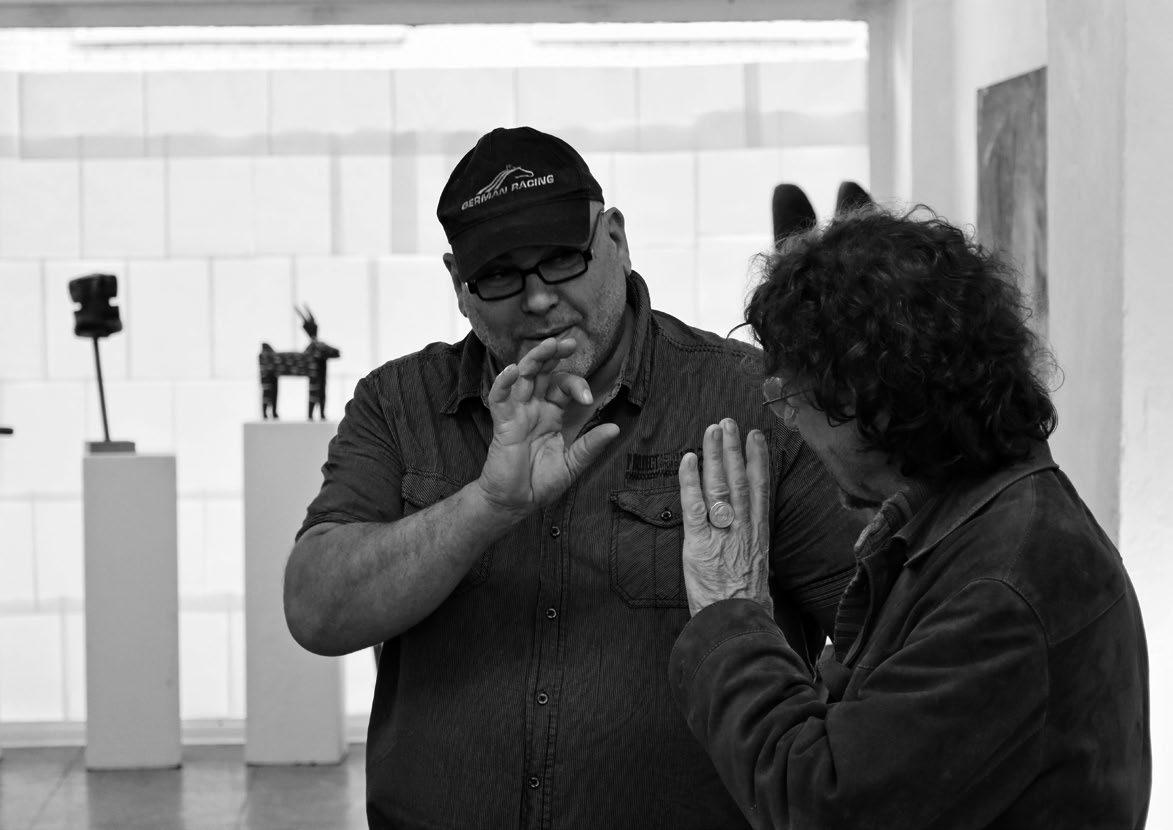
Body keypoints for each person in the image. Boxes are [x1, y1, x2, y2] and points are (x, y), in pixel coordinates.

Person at [282, 126, 864, 829]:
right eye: (500, 275)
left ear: (615, 239)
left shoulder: (753, 403)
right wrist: (485, 505)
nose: (537, 299)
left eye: (562, 259)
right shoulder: (400, 405)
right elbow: (316, 611)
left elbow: (880, 628)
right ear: (458, 285)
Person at [670, 207, 1151, 829]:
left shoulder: (1003, 590)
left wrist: (729, 615)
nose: (785, 418)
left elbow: (823, 802)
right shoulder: (979, 522)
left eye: (791, 396)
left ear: (871, 406)